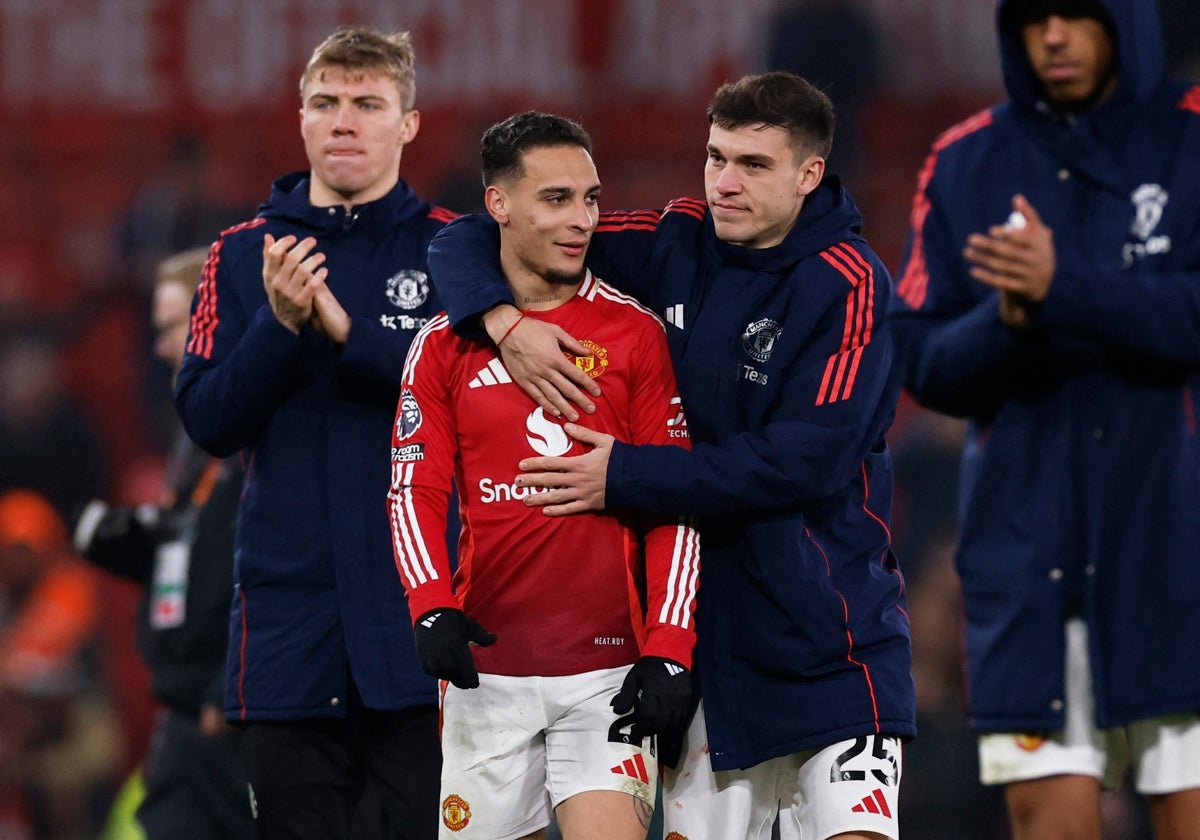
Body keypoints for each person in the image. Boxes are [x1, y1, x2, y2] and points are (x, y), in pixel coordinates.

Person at [428, 72, 914, 840]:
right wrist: (503, 323)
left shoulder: (850, 285)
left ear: (808, 174)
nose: (724, 182)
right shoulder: (677, 239)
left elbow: (803, 462)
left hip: (828, 644)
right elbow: (470, 234)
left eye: (753, 165)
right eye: (716, 157)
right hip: (700, 644)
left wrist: (625, 474)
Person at [889, 1, 1200, 838]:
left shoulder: (1190, 137)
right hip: (1031, 569)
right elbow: (919, 361)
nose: (1053, 37)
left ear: (1126, 20)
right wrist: (1009, 318)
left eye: (1076, 15)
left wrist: (1065, 287)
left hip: (1176, 560)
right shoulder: (967, 161)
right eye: (1033, 19)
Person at [174, 25, 456, 840]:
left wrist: (347, 335)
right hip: (288, 640)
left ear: (407, 123)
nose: (345, 121)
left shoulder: (455, 249)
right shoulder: (239, 255)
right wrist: (279, 325)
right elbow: (208, 421)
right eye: (327, 102)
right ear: (300, 117)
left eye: (368, 104)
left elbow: (468, 400)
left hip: (419, 633)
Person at [388, 110, 700, 840]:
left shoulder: (635, 335)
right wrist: (430, 605)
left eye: (590, 198)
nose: (582, 218)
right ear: (499, 205)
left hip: (607, 676)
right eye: (556, 198)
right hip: (486, 675)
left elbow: (675, 500)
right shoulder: (440, 347)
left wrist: (669, 645)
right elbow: (414, 490)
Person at [72, 247, 254, 840]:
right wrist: (131, 539)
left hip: (226, 713)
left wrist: (226, 683)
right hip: (188, 708)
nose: (159, 347)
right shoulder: (196, 433)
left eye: (171, 326)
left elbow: (263, 561)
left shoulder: (250, 425)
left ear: (213, 321)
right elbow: (197, 550)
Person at [0, 488, 123, 840]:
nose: (17, 561)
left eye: (25, 549)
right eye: (10, 549)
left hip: (80, 719)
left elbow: (33, 668)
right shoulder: (7, 593)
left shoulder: (71, 587)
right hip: (25, 724)